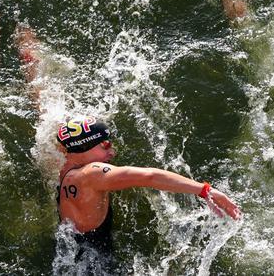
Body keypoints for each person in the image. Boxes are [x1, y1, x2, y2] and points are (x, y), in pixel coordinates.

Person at [14, 31, 242, 261]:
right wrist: (205, 190)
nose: (111, 152)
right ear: (84, 147)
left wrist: (32, 62)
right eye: (104, 146)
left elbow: (43, 111)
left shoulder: (61, 163)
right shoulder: (92, 174)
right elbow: (150, 177)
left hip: (69, 254)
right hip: (95, 264)